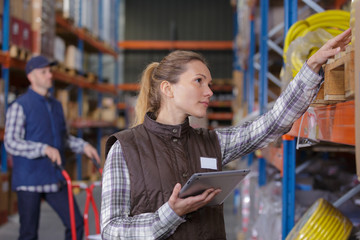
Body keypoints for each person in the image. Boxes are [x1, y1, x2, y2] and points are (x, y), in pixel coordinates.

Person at [101, 29, 352, 239]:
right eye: (199, 81)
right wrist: (169, 214)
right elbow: (110, 230)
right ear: (167, 88)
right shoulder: (125, 148)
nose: (209, 91)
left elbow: (273, 123)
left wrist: (312, 66)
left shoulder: (212, 142)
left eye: (209, 84)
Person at [4, 55, 101, 240]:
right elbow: (11, 142)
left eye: (50, 71)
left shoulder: (56, 105)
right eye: (44, 72)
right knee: (28, 234)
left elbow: (62, 139)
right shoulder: (20, 106)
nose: (50, 75)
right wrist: (43, 149)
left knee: (76, 224)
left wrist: (84, 146)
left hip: (54, 176)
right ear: (31, 77)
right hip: (29, 179)